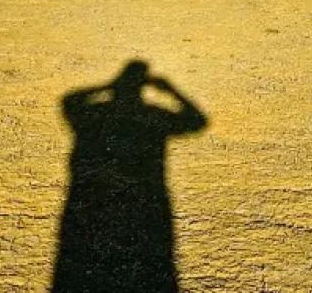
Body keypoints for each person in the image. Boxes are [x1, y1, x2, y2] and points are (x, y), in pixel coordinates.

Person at [52, 60, 208, 293]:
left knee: (84, 268)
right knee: (150, 269)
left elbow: (69, 101)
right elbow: (197, 121)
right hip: (145, 202)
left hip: (93, 202)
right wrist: (170, 90)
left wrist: (107, 85)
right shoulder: (152, 117)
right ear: (142, 88)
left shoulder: (94, 114)